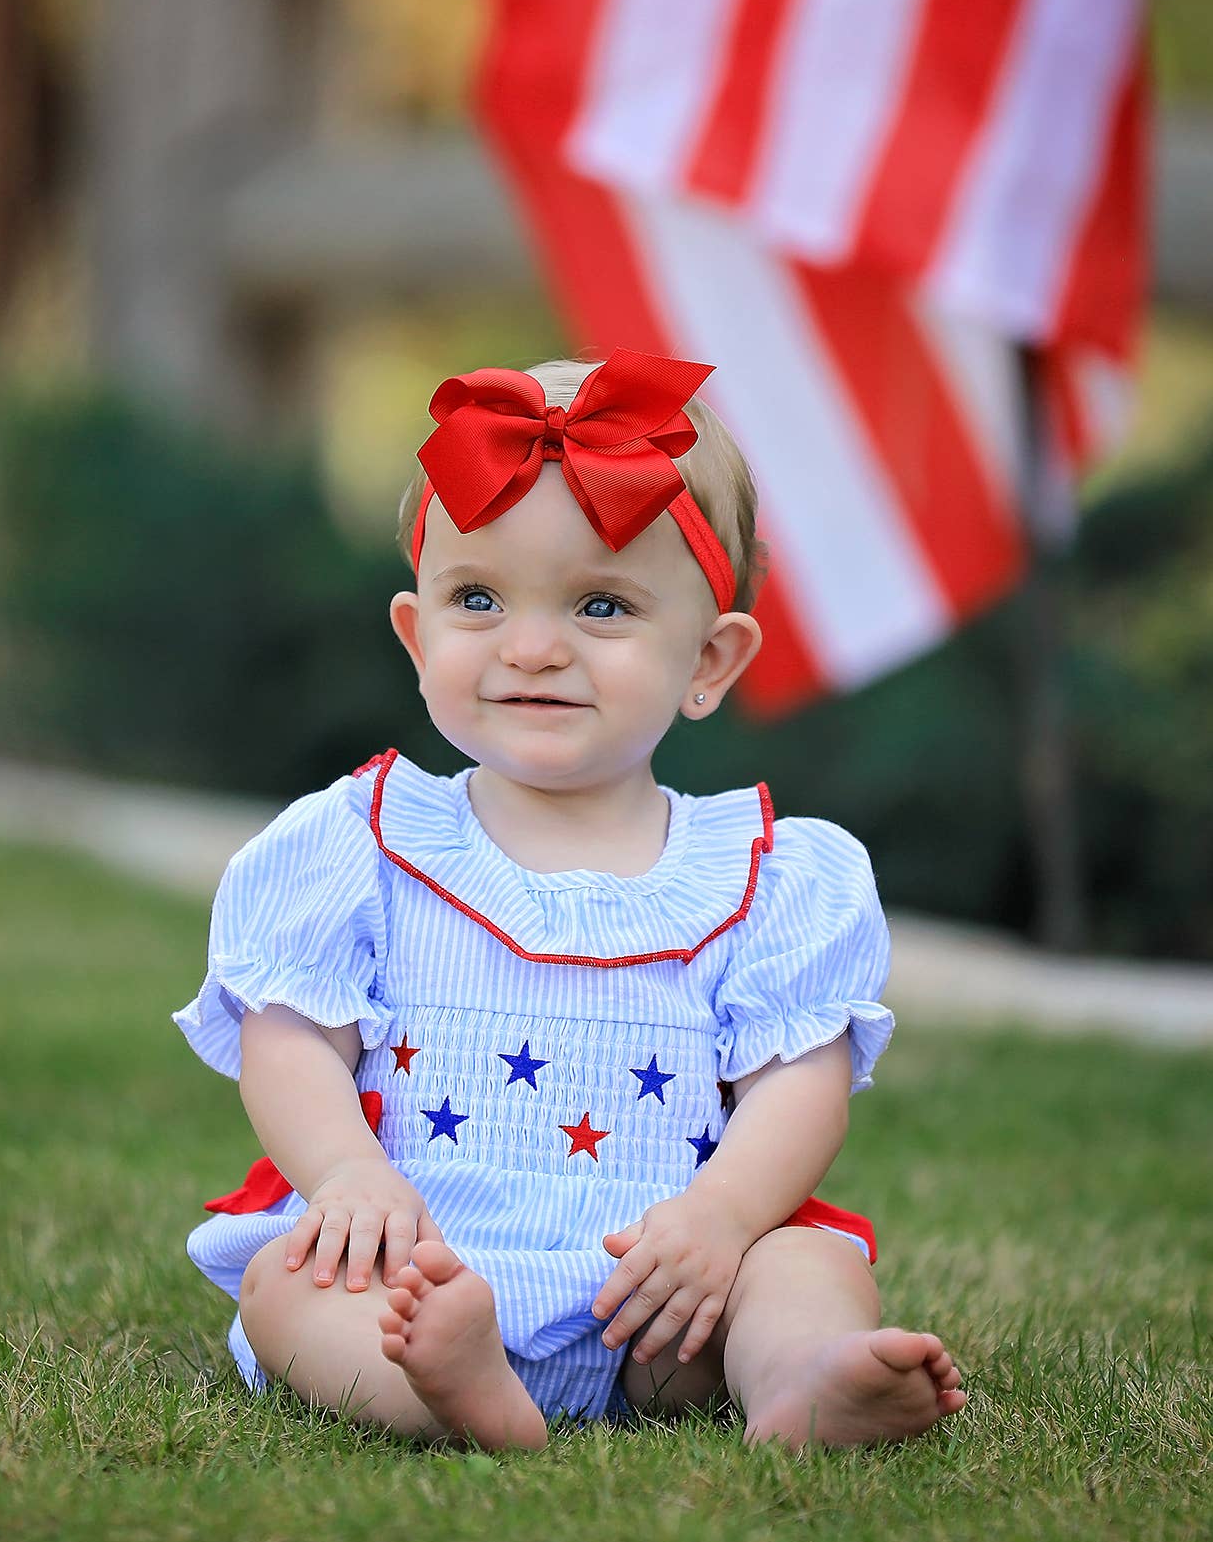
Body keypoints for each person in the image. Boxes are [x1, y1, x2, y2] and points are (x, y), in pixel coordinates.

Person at [173, 348, 966, 1452]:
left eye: (601, 605)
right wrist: (347, 1173)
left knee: (802, 1261)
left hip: (658, 1290)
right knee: (288, 1285)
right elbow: (290, 1035)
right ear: (417, 636)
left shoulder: (766, 877)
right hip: (419, 1264)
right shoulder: (363, 843)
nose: (534, 647)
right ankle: (456, 1390)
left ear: (710, 661)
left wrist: (724, 1216)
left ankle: (801, 1380)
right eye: (478, 598)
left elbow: (799, 1083)